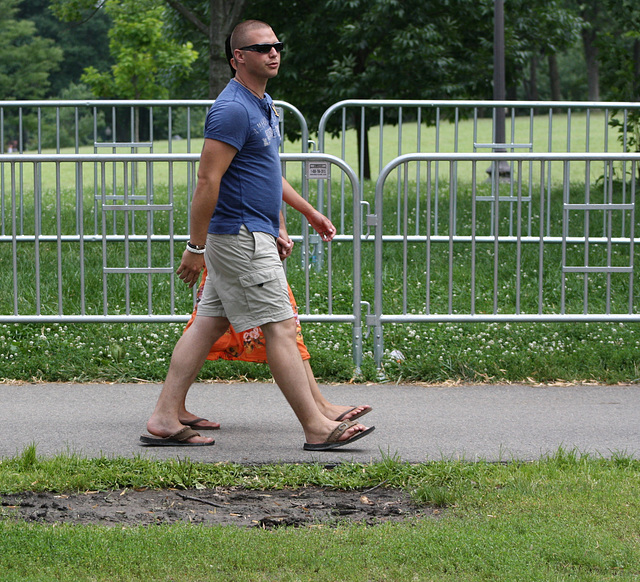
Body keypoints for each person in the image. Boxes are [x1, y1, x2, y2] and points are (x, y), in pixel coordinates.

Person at [141, 19, 374, 450]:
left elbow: (266, 174)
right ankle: (316, 427)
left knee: (208, 325)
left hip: (252, 233)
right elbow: (207, 182)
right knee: (281, 327)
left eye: (276, 45)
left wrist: (306, 212)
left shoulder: (264, 105)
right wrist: (196, 247)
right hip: (240, 237)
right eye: (261, 46)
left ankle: (163, 416)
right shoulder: (231, 109)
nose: (273, 52)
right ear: (237, 58)